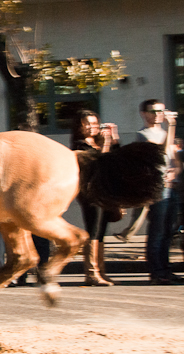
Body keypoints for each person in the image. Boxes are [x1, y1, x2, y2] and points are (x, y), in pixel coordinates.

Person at [130, 100, 181, 285]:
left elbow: (173, 159)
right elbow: (162, 151)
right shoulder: (142, 135)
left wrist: (175, 171)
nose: (159, 114)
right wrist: (173, 126)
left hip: (171, 188)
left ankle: (166, 270)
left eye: (162, 110)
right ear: (144, 113)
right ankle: (156, 272)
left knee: (168, 231)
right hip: (157, 190)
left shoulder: (166, 133)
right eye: (154, 111)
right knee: (157, 232)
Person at [71, 109, 121, 286]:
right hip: (90, 193)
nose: (92, 127)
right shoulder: (79, 145)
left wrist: (114, 139)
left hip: (105, 192)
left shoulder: (99, 142)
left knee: (101, 232)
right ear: (79, 126)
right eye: (87, 124)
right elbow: (99, 162)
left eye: (94, 123)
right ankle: (91, 273)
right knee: (93, 230)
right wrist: (106, 144)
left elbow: (116, 159)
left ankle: (101, 271)